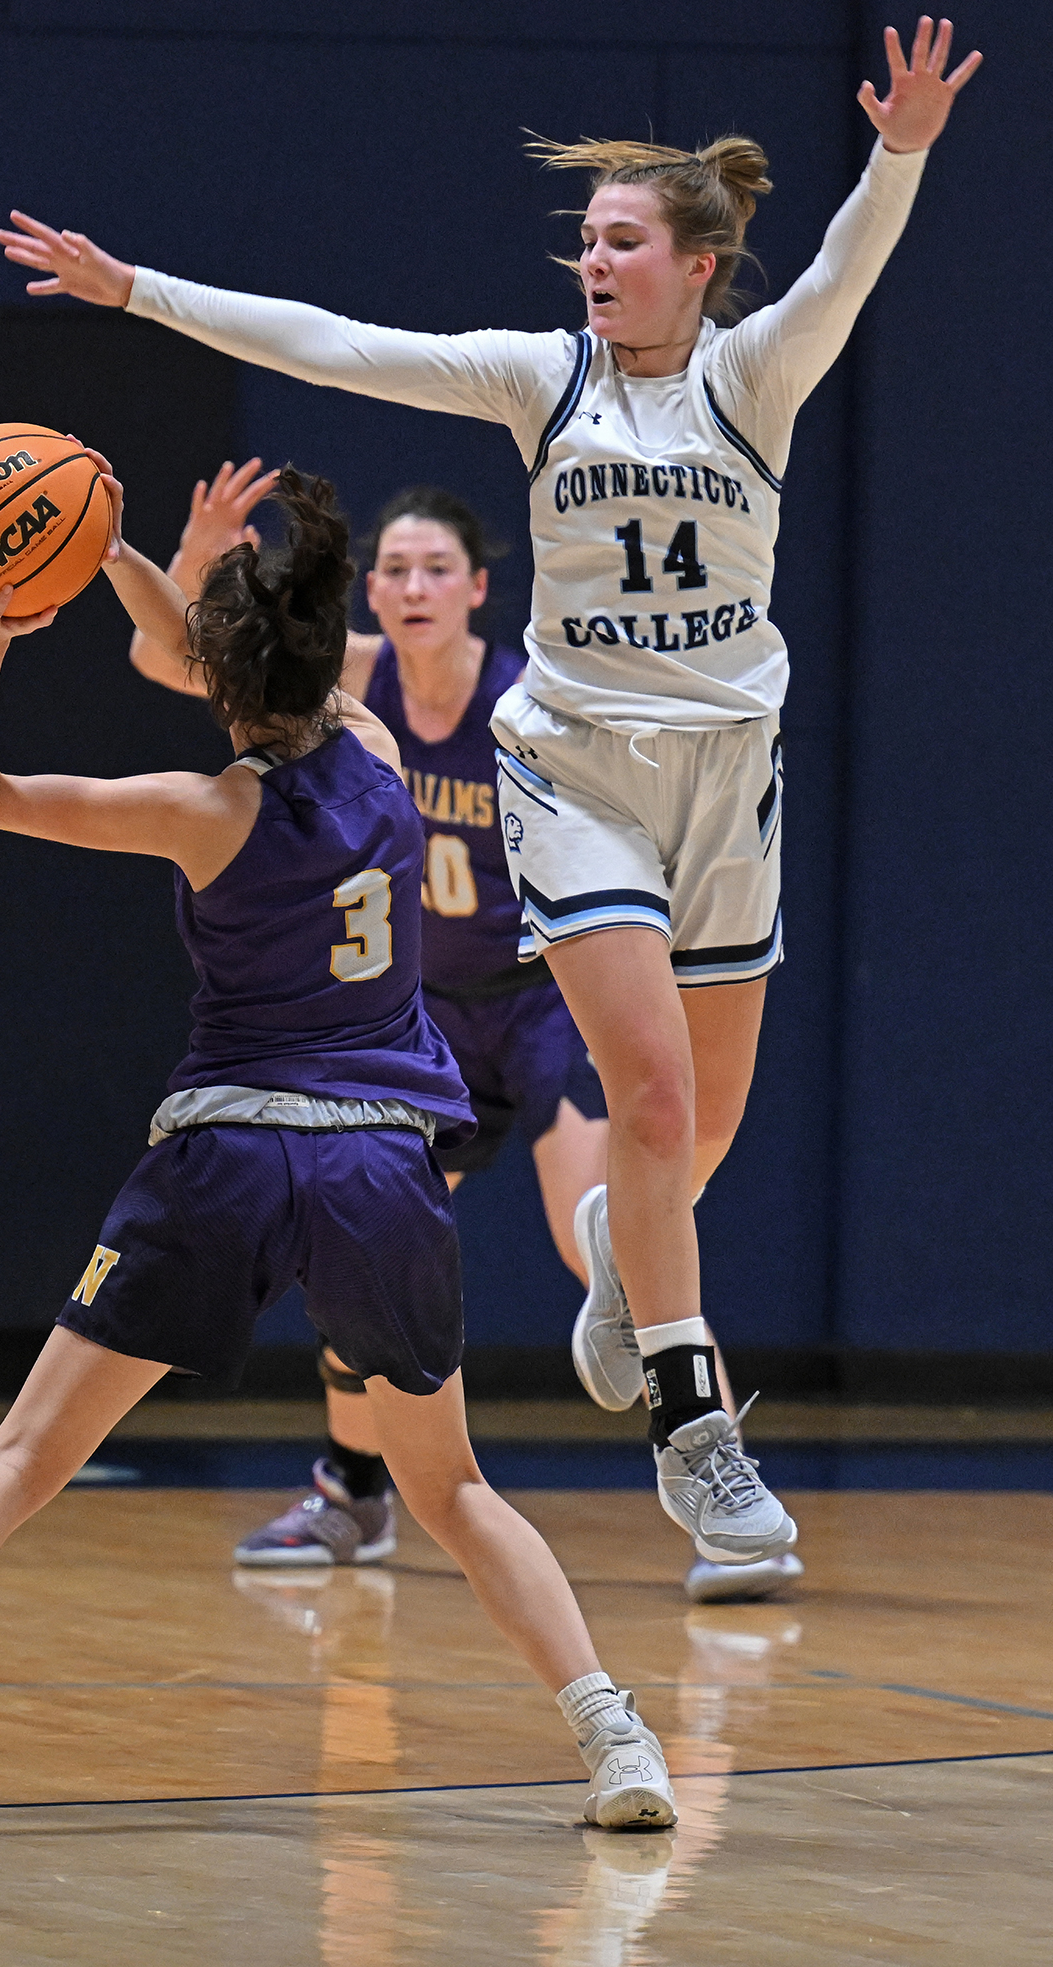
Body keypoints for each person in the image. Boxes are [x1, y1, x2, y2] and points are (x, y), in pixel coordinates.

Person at [0, 15, 979, 1573]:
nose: (593, 263)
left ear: (697, 265)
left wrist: (904, 148)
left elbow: (852, 263)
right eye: (583, 241)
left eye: (623, 242)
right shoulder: (543, 381)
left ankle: (614, 1269)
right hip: (578, 768)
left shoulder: (759, 377)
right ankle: (694, 1423)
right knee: (650, 1098)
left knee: (698, 1130)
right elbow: (332, 338)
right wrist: (141, 293)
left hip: (730, 777)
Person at [0, 462, 676, 1834]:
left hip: (227, 1156)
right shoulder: (379, 754)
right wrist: (133, 558)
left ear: (219, 684)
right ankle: (619, 1745)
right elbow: (228, 648)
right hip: (381, 1162)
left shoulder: (199, 812)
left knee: (18, 1460)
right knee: (458, 1493)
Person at [138, 463, 798, 1602]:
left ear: (480, 588)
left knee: (624, 1238)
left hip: (540, 1003)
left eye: (433, 566)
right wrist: (188, 564)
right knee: (359, 1256)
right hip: (412, 1017)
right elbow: (182, 658)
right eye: (390, 568)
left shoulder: (529, 690)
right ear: (370, 593)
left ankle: (710, 1475)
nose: (409, 584)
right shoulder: (347, 681)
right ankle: (352, 1488)